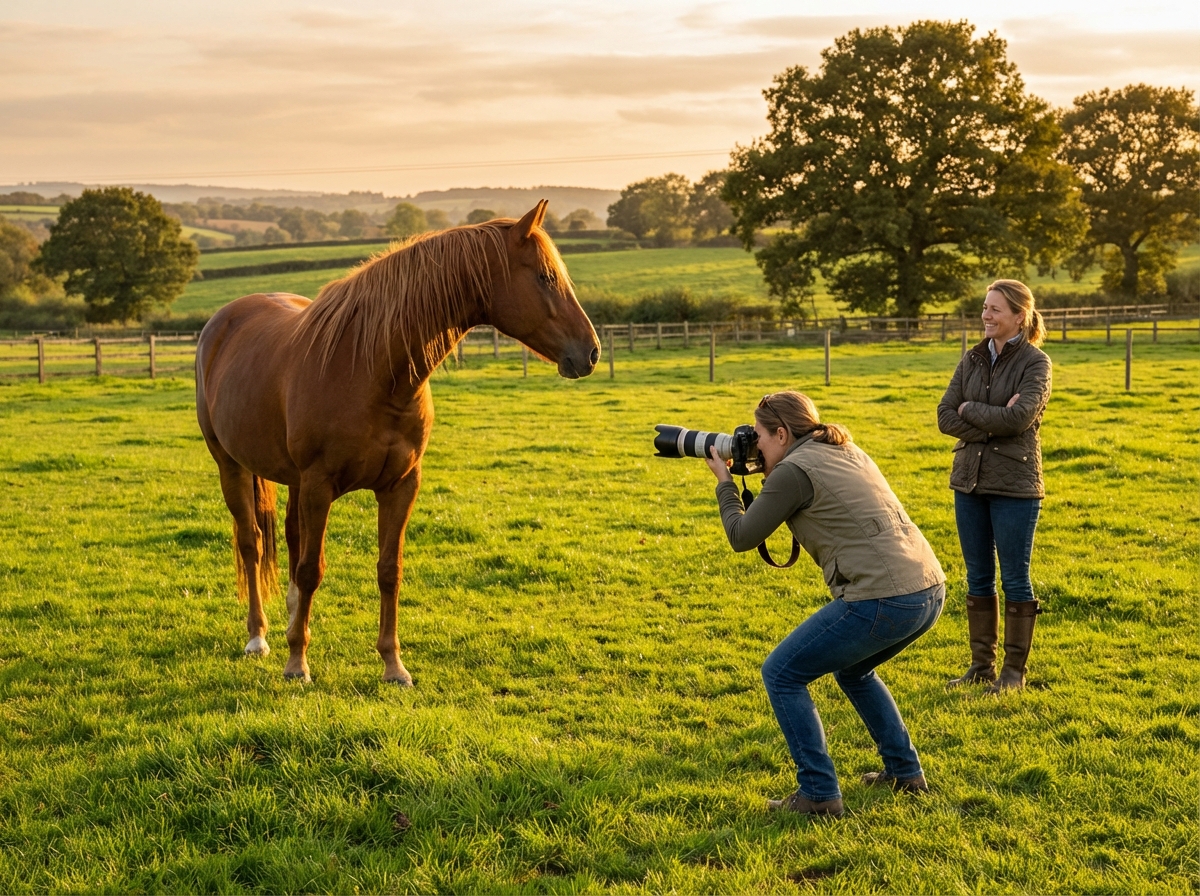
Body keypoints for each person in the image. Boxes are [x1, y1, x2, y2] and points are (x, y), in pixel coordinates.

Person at [705, 391, 945, 817]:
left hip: (882, 598)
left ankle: (818, 794)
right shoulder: (843, 448)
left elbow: (742, 537)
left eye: (758, 436)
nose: (753, 445)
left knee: (781, 673)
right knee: (855, 671)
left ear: (781, 433)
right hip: (927, 590)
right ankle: (905, 773)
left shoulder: (794, 471)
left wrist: (725, 484)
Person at [938, 279, 1051, 693]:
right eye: (984, 308)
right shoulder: (971, 358)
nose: (986, 316)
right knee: (977, 578)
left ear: (1019, 316)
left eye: (994, 310)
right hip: (968, 481)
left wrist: (971, 414)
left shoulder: (1036, 363)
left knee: (1015, 580)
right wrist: (984, 416)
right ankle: (981, 666)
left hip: (1016, 486)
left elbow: (1019, 419)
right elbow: (945, 415)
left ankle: (1013, 674)